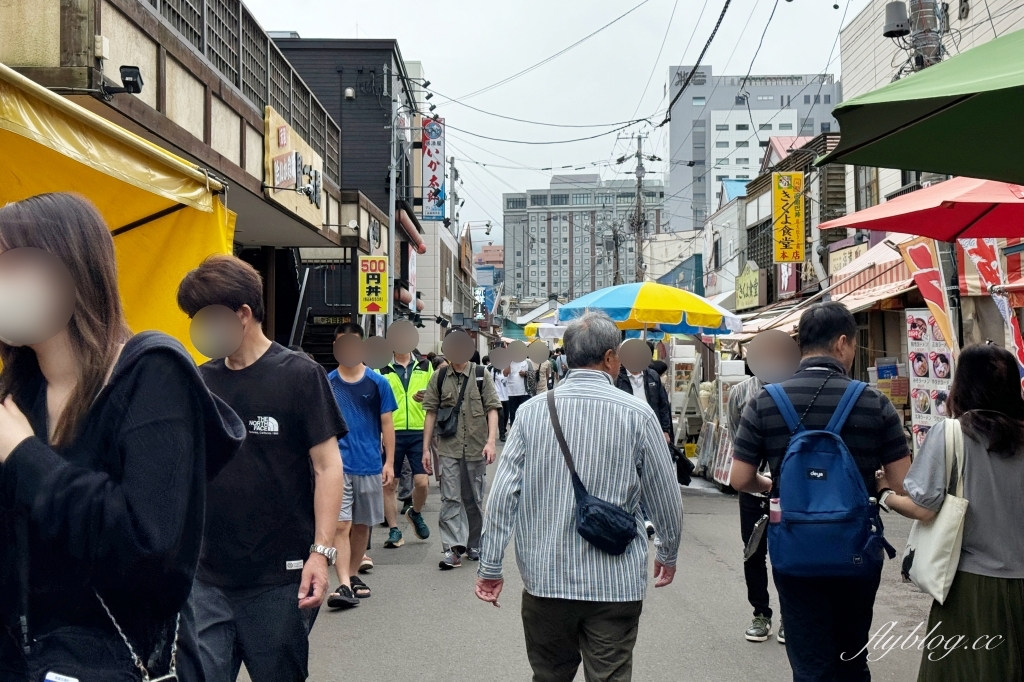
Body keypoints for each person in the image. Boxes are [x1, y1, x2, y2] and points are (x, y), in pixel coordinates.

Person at [0, 193, 244, 681]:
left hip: (116, 664)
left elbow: (153, 555)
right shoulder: (18, 394)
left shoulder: (151, 373)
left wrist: (26, 459)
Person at [476, 312, 683, 682]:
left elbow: (504, 495)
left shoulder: (530, 413)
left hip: (545, 580)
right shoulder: (638, 414)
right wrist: (667, 552)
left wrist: (491, 566)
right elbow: (665, 494)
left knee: (550, 676)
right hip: (615, 583)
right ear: (608, 357)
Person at [177, 255, 348, 682]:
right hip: (206, 576)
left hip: (279, 576)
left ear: (243, 314)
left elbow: (328, 468)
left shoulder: (300, 375)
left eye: (206, 317)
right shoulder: (200, 380)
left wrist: (321, 553)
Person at [730, 302, 911, 682]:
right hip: (856, 552)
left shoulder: (765, 401)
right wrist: (876, 483)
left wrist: (772, 486)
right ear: (843, 343)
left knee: (809, 662)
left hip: (794, 550)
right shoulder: (873, 401)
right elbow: (902, 483)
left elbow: (740, 478)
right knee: (851, 659)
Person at [876, 344, 1024, 682]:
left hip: (972, 588)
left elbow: (923, 508)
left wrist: (884, 495)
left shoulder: (953, 433)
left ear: (962, 384)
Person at [326, 322, 397, 606]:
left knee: (362, 525)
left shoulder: (377, 383)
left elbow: (387, 423)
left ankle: (353, 574)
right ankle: (343, 583)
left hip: (368, 462)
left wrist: (389, 462)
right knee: (341, 525)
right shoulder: (327, 383)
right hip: (337, 465)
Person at [422, 337, 501, 569]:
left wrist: (491, 442)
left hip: (476, 447)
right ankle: (453, 548)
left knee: (473, 498)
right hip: (448, 447)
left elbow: (493, 408)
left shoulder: (480, 374)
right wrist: (425, 449)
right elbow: (430, 413)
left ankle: (474, 543)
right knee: (450, 498)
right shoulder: (439, 377)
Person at [725, 368, 779, 644]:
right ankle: (761, 613)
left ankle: (792, 617)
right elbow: (737, 441)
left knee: (788, 552)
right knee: (753, 552)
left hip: (787, 486)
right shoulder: (739, 393)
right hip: (752, 486)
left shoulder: (795, 387)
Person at [378, 342, 433, 547]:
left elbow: (436, 395)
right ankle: (394, 530)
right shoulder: (380, 367)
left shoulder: (426, 366)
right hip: (392, 430)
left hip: (419, 431)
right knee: (390, 483)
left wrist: (428, 396)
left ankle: (415, 513)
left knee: (422, 482)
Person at [483, 355, 510, 442]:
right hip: (497, 396)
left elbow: (507, 374)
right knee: (500, 415)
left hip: (506, 395)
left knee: (505, 416)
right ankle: (501, 434)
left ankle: (503, 430)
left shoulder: (506, 368)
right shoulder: (491, 369)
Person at [504, 356, 533, 425]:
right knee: (513, 414)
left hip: (525, 393)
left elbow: (532, 374)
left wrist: (525, 374)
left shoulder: (527, 361)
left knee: (525, 414)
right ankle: (514, 432)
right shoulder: (508, 362)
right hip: (512, 393)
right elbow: (505, 374)